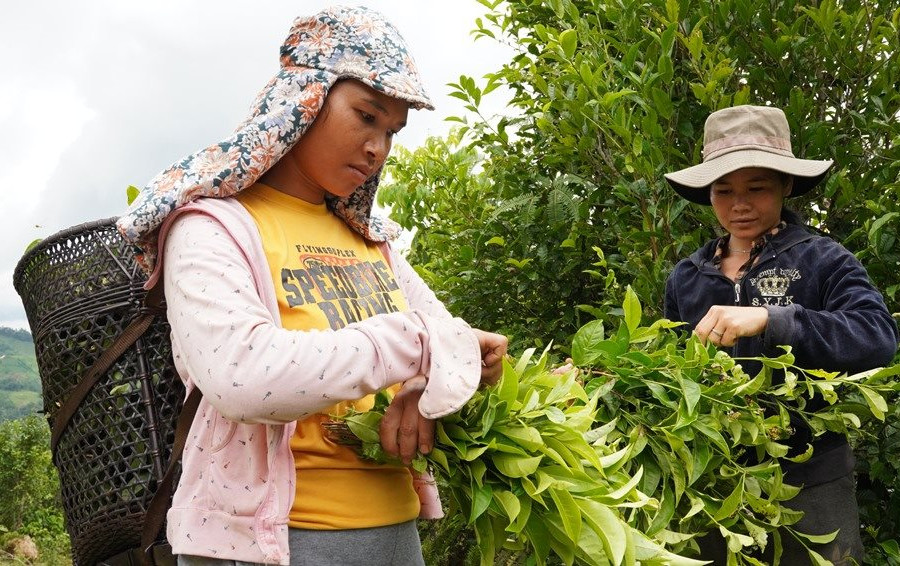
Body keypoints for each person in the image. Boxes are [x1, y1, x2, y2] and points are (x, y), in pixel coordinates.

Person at [117, 7, 507, 565]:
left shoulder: (371, 241)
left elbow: (451, 339)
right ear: (304, 100)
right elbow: (242, 376)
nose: (378, 148)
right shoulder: (214, 229)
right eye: (365, 116)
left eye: (392, 131)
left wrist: (432, 385)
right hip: (268, 545)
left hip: (394, 537)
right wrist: (418, 346)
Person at [663, 105, 899, 564]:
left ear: (785, 185)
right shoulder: (686, 277)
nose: (739, 204)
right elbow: (675, 368)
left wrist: (773, 320)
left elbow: (877, 336)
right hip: (715, 484)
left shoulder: (822, 259)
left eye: (756, 188)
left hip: (811, 480)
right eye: (723, 190)